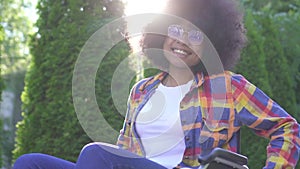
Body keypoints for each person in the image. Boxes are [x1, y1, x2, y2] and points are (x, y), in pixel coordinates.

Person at [13, 0, 299, 169]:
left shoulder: (228, 86)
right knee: (31, 163)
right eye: (176, 29)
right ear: (161, 33)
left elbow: (287, 128)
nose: (183, 40)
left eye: (196, 36)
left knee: (94, 153)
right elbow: (122, 153)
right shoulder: (142, 91)